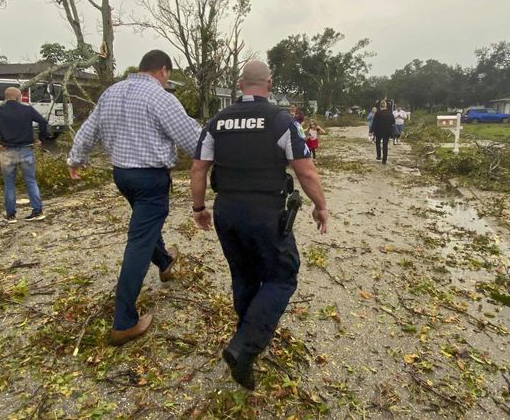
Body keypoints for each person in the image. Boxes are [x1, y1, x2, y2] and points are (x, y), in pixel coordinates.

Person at [191, 61, 329, 390]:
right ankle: (245, 347)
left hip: (227, 211)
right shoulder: (281, 120)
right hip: (265, 212)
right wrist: (321, 205)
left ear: (240, 84)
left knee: (244, 275)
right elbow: (305, 171)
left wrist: (199, 208)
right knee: (282, 277)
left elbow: (198, 170)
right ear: (269, 83)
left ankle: (244, 336)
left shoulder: (217, 121)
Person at [67, 49, 201, 346]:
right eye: (169, 76)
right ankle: (123, 322)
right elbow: (192, 139)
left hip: (123, 176)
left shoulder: (111, 92)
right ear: (164, 71)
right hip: (150, 178)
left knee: (145, 226)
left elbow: (89, 129)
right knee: (139, 241)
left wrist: (76, 158)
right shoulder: (161, 98)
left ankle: (165, 263)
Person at [0, 87, 51, 223]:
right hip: (26, 149)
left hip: (7, 150)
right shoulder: (27, 109)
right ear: (18, 97)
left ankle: (11, 215)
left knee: (9, 183)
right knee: (31, 181)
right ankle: (37, 211)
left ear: (6, 97)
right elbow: (43, 121)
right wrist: (42, 139)